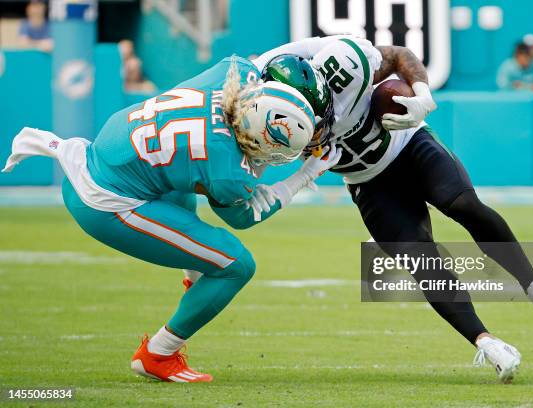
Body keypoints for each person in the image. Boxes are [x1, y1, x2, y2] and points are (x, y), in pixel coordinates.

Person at [232, 35, 533, 382]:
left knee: (463, 205)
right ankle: (486, 342)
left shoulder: (345, 65)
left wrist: (422, 94)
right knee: (420, 258)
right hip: (366, 180)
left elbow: (399, 55)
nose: (320, 126)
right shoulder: (261, 110)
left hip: (408, 144)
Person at [2, 56, 342, 382]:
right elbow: (246, 216)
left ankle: (195, 283)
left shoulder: (234, 71)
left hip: (104, 157)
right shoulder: (228, 171)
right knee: (236, 264)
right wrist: (305, 174)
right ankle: (158, 354)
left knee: (181, 177)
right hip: (107, 203)